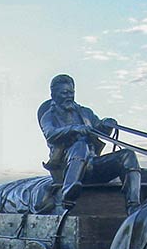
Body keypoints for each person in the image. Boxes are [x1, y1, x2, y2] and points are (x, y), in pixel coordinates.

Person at [39, 73, 140, 213]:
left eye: (71, 92)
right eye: (64, 93)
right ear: (54, 94)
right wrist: (74, 129)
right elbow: (50, 134)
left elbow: (98, 130)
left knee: (128, 155)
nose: (69, 96)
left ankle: (134, 205)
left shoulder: (85, 113)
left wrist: (107, 125)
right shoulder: (49, 116)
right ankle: (69, 190)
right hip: (67, 169)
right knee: (80, 145)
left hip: (93, 164)